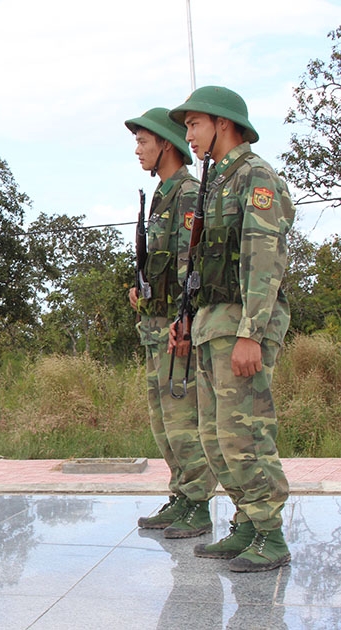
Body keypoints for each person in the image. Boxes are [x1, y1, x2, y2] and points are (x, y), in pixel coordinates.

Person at [168, 86, 294, 572]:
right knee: (215, 435)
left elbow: (265, 260)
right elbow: (203, 263)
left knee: (246, 433)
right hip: (210, 322)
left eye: (194, 124)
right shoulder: (216, 183)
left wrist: (251, 333)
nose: (189, 135)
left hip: (242, 323)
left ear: (222, 123)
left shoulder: (255, 176)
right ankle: (246, 523)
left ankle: (270, 533)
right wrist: (186, 317)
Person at [125, 107, 217, 538]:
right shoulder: (161, 196)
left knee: (184, 423)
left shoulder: (186, 195)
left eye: (144, 141)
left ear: (166, 143)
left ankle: (198, 504)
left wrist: (185, 322)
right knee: (163, 425)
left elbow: (191, 267)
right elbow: (161, 267)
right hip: (154, 327)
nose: (138, 150)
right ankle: (181, 495)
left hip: (176, 331)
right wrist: (140, 289)